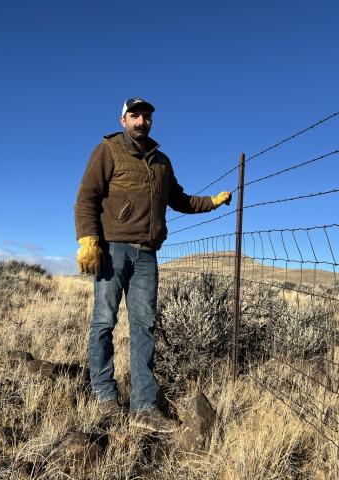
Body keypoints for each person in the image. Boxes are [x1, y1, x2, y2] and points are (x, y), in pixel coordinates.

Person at [73, 97, 232, 433]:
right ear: (123, 120)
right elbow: (87, 196)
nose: (141, 121)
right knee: (104, 321)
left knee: (145, 327)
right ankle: (104, 396)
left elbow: (181, 200)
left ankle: (144, 405)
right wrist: (88, 239)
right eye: (135, 115)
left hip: (147, 254)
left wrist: (213, 203)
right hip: (113, 249)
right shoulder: (108, 151)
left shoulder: (162, 161)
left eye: (146, 116)